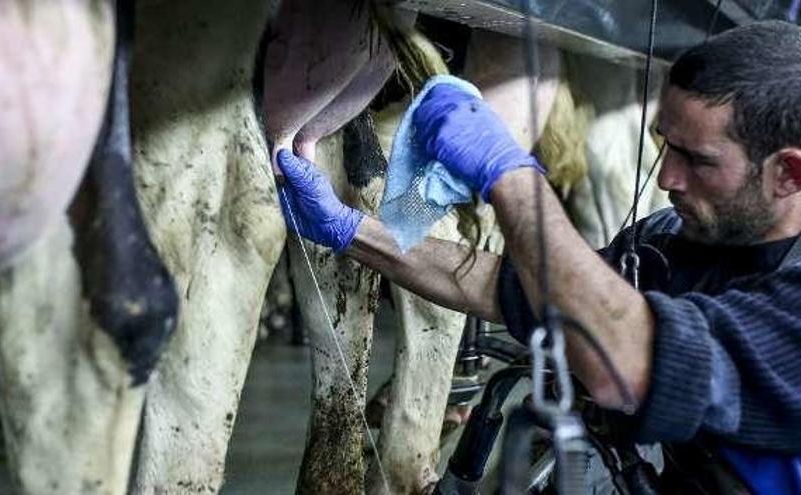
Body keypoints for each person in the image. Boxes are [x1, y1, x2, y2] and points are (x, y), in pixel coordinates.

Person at [276, 20, 801, 493]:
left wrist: (512, 177)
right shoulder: (681, 241)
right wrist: (352, 231)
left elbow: (626, 361)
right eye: (667, 146)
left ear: (789, 173)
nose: (667, 179)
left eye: (698, 160)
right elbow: (528, 289)